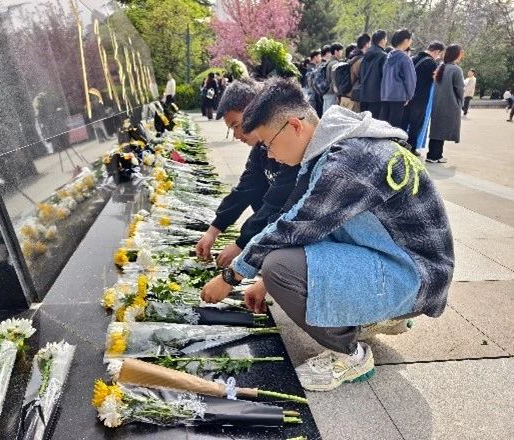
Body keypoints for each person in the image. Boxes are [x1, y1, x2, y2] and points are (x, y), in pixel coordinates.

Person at [200, 79, 454, 391]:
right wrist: (261, 280)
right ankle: (376, 314)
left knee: (280, 267)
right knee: (279, 262)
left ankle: (349, 355)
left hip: (416, 276)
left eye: (268, 144)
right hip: (399, 260)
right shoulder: (335, 147)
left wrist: (232, 276)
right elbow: (307, 223)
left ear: (295, 126)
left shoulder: (349, 160)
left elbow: (294, 226)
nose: (270, 156)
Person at [195, 79, 299, 267]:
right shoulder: (261, 147)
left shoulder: (290, 144)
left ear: (254, 109)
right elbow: (245, 188)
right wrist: (214, 230)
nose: (236, 135)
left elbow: (277, 202)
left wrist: (242, 244)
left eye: (236, 125)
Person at [401, 41, 445, 155]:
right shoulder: (431, 63)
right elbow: (435, 80)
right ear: (437, 51)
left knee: (403, 122)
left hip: (407, 97)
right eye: (439, 54)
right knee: (415, 124)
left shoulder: (412, 58)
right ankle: (411, 148)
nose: (438, 56)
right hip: (420, 99)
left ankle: (400, 145)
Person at [427, 44, 465, 163]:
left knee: (436, 129)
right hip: (450, 104)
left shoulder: (441, 67)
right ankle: (436, 156)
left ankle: (432, 155)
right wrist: (461, 103)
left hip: (437, 103)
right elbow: (460, 89)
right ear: (456, 54)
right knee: (443, 129)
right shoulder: (456, 69)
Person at [380, 29, 417, 128]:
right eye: (410, 40)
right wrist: (409, 96)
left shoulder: (388, 56)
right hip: (399, 96)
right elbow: (411, 80)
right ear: (406, 40)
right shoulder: (405, 58)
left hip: (385, 95)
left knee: (383, 126)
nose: (410, 42)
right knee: (394, 127)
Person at [359, 30, 388, 118]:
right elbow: (385, 77)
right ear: (382, 40)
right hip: (377, 97)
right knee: (374, 123)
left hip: (363, 95)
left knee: (364, 122)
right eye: (386, 39)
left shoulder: (365, 55)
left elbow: (361, 75)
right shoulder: (383, 56)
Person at [344, 33, 371, 112]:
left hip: (346, 97)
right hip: (353, 100)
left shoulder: (352, 57)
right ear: (366, 45)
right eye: (370, 43)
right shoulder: (361, 61)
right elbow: (363, 80)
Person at [322, 43, 344, 113]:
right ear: (336, 51)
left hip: (327, 92)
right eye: (341, 51)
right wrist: (338, 94)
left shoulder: (329, 62)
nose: (342, 52)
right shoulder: (335, 63)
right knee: (331, 115)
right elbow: (335, 80)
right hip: (332, 93)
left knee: (326, 114)